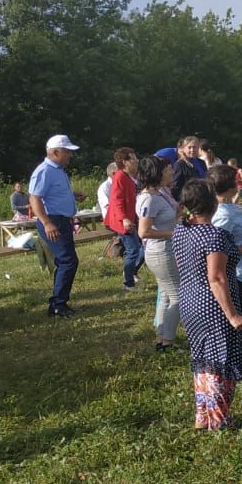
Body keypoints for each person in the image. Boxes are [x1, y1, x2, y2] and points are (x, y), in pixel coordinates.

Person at [173, 179, 242, 430]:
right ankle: (218, 419)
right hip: (213, 304)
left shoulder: (181, 231)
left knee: (202, 358)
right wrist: (232, 315)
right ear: (212, 203)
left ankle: (203, 414)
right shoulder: (214, 236)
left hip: (189, 299)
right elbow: (216, 278)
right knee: (220, 359)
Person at [209, 164, 242, 372]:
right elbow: (217, 247)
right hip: (235, 273)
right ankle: (236, 365)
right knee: (241, 319)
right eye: (236, 179)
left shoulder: (230, 207)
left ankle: (241, 363)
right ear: (229, 186)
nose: (239, 182)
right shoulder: (222, 213)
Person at [29, 134, 82, 318]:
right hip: (53, 221)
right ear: (55, 152)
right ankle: (58, 305)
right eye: (67, 151)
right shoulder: (44, 171)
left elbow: (52, 193)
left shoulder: (58, 169)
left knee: (67, 261)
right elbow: (35, 198)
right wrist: (47, 223)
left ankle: (59, 302)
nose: (70, 155)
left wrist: (72, 195)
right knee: (68, 261)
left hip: (61, 220)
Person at [136, 155, 180, 351]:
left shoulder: (160, 194)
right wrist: (173, 233)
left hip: (166, 250)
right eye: (168, 169)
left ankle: (162, 337)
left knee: (166, 294)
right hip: (161, 253)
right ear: (158, 173)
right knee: (178, 296)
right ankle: (168, 341)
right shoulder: (149, 198)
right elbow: (144, 232)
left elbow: (170, 216)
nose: (172, 172)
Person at [104, 148, 145, 292]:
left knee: (143, 247)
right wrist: (125, 219)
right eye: (133, 159)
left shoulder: (132, 176)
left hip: (133, 218)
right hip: (123, 221)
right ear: (124, 162)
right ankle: (128, 282)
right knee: (133, 249)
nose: (137, 161)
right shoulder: (120, 177)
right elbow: (116, 200)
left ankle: (131, 271)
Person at [171, 136, 203, 202]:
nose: (192, 150)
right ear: (184, 149)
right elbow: (175, 188)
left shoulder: (201, 163)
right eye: (189, 147)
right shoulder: (180, 164)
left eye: (195, 147)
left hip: (201, 199)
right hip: (187, 202)